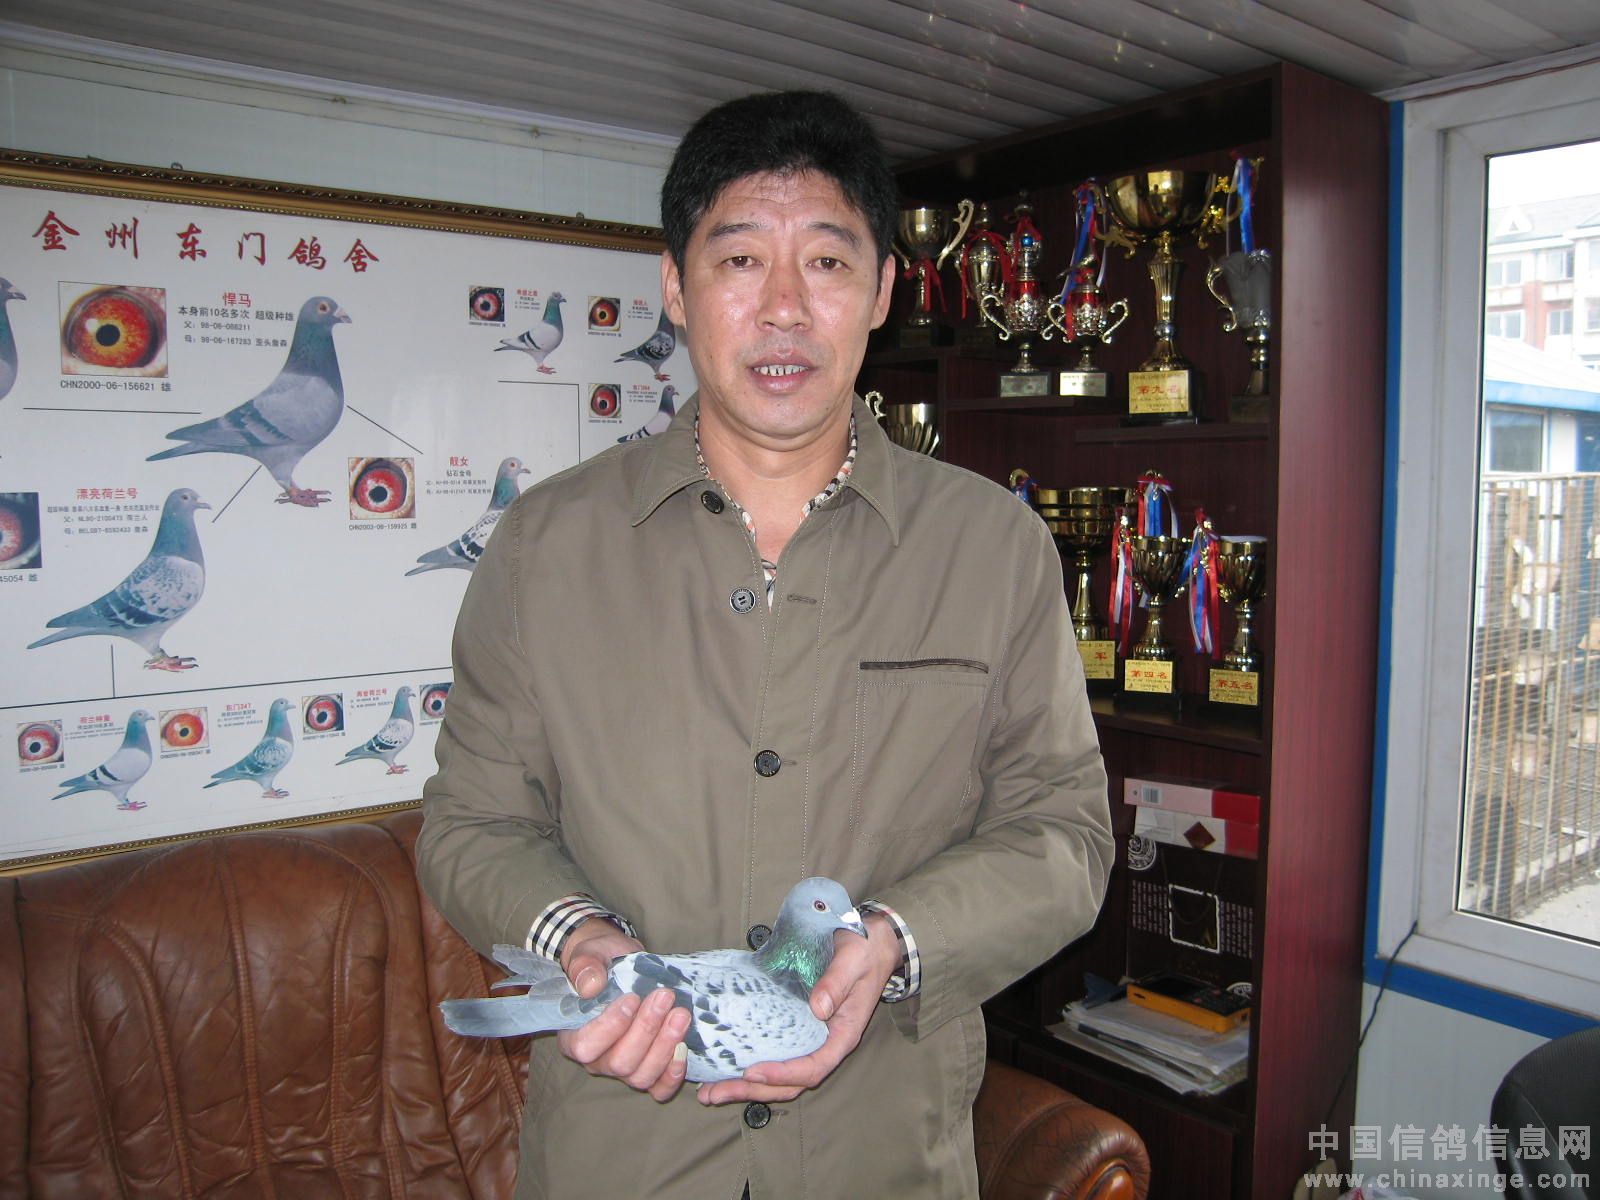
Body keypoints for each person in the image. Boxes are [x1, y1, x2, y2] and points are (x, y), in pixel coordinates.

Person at [416, 89, 1113, 1200]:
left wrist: (895, 939)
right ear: (676, 287)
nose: (784, 307)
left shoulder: (994, 550)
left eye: (827, 263)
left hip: (883, 1157)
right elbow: (472, 823)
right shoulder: (545, 546)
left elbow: (1064, 835)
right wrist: (580, 939)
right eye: (740, 260)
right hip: (622, 1153)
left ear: (882, 291)